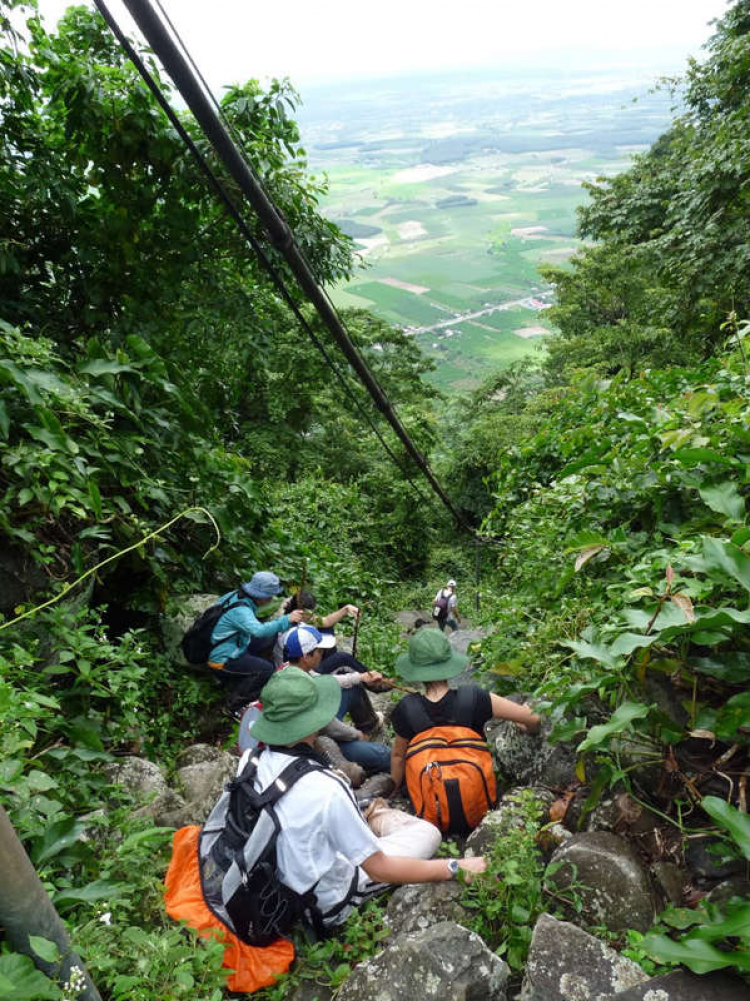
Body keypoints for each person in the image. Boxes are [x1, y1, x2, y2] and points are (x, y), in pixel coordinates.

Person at [246, 667, 487, 928]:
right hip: (323, 900)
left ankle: (367, 811)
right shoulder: (325, 789)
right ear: (312, 719)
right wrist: (455, 867)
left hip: (277, 877)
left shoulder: (251, 762)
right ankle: (374, 811)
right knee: (428, 833)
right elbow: (379, 868)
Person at [389, 628, 541, 798]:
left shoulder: (406, 708)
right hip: (476, 797)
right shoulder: (474, 698)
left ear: (416, 669)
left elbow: (398, 757)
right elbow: (533, 719)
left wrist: (392, 794)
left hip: (431, 802)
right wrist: (524, 726)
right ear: (449, 662)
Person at [283, 624, 391, 776]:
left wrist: (360, 677)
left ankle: (370, 726)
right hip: (317, 742)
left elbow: (326, 681)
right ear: (306, 656)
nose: (322, 654)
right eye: (319, 651)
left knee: (352, 687)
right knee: (386, 754)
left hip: (319, 729)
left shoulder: (290, 669)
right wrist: (357, 735)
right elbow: (330, 726)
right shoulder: (302, 689)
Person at [208, 571, 305, 708]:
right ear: (261, 597)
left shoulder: (236, 596)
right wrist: (286, 620)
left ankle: (248, 670)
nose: (272, 599)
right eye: (270, 596)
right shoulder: (241, 611)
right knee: (266, 670)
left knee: (270, 637)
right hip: (223, 659)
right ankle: (234, 704)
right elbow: (259, 631)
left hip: (234, 644)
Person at [273, 590, 369, 675]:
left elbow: (326, 622)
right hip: (299, 672)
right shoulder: (292, 633)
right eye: (311, 613)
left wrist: (346, 609)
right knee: (343, 658)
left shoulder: (295, 617)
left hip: (303, 661)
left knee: (327, 629)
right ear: (301, 612)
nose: (313, 616)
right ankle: (371, 680)